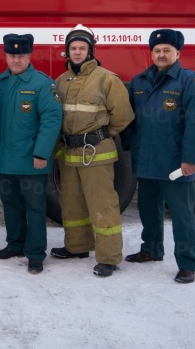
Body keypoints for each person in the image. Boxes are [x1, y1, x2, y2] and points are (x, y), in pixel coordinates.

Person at [123, 29, 195, 284]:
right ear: (151, 53)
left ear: (177, 53)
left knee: (182, 214)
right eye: (157, 50)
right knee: (148, 209)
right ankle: (151, 249)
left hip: (175, 163)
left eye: (166, 51)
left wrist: (191, 159)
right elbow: (129, 119)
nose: (161, 55)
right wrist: (130, 144)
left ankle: (189, 263)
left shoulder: (189, 82)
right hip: (147, 160)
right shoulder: (139, 82)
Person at [49, 24, 134, 277]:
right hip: (69, 153)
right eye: (73, 48)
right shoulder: (60, 82)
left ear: (90, 51)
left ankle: (109, 257)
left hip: (96, 153)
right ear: (67, 51)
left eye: (82, 48)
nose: (77, 52)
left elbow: (123, 115)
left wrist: (99, 135)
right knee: (71, 203)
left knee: (103, 205)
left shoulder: (106, 78)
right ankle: (77, 247)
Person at [0, 34, 62, 275]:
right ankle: (15, 244)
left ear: (29, 56)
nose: (15, 60)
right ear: (6, 56)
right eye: (11, 55)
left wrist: (42, 153)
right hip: (5, 161)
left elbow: (52, 119)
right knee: (10, 204)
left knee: (35, 209)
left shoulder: (42, 84)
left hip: (31, 161)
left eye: (21, 56)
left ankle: (36, 254)